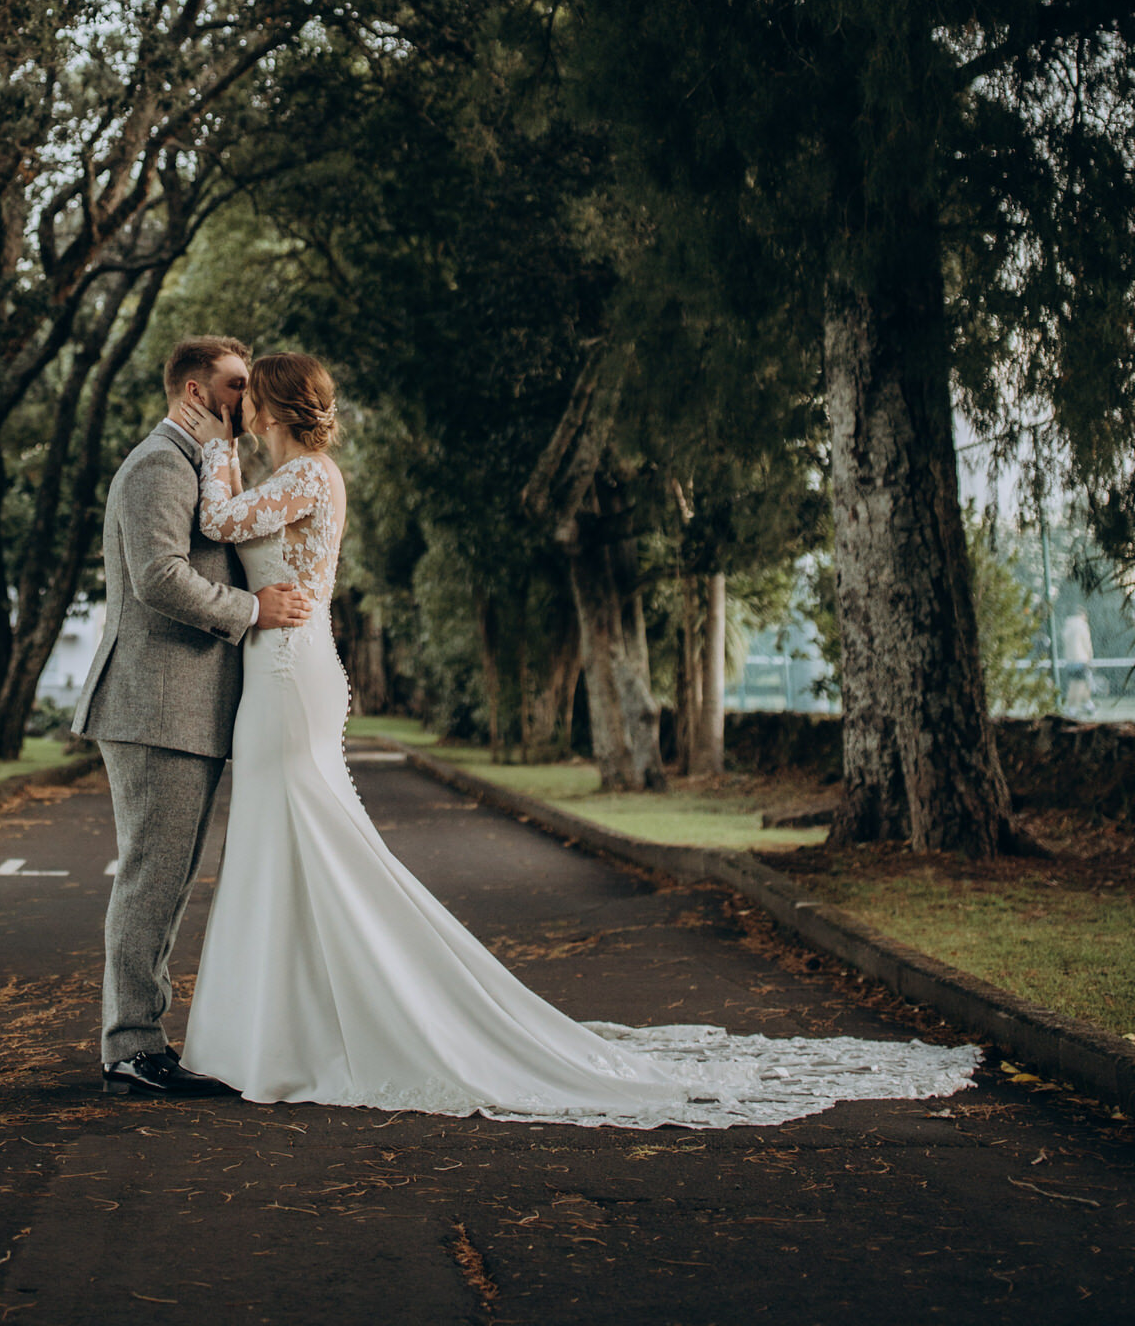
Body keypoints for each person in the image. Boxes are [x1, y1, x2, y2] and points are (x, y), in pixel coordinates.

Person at [178, 348, 979, 1128]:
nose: (233, 404)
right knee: (283, 837)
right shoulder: (290, 475)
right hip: (279, 664)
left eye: (246, 394)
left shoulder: (310, 475)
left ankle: (315, 1029)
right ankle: (285, 1027)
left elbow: (218, 518)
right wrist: (229, 453)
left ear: (274, 406)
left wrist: (212, 447)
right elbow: (243, 527)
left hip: (287, 670)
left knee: (304, 834)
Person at [70, 334, 312, 1097]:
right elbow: (158, 578)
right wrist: (254, 609)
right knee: (152, 877)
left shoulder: (199, 463)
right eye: (238, 385)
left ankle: (142, 1041)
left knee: (167, 880)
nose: (251, 398)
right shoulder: (155, 466)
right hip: (154, 705)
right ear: (197, 392)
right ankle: (131, 1049)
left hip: (186, 709)